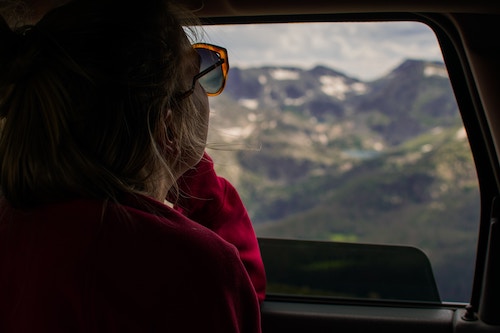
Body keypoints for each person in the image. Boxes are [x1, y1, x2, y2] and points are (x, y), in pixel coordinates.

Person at [0, 0, 266, 332]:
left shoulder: (16, 225)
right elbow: (241, 297)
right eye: (201, 70)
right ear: (167, 126)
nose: (209, 89)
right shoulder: (191, 266)